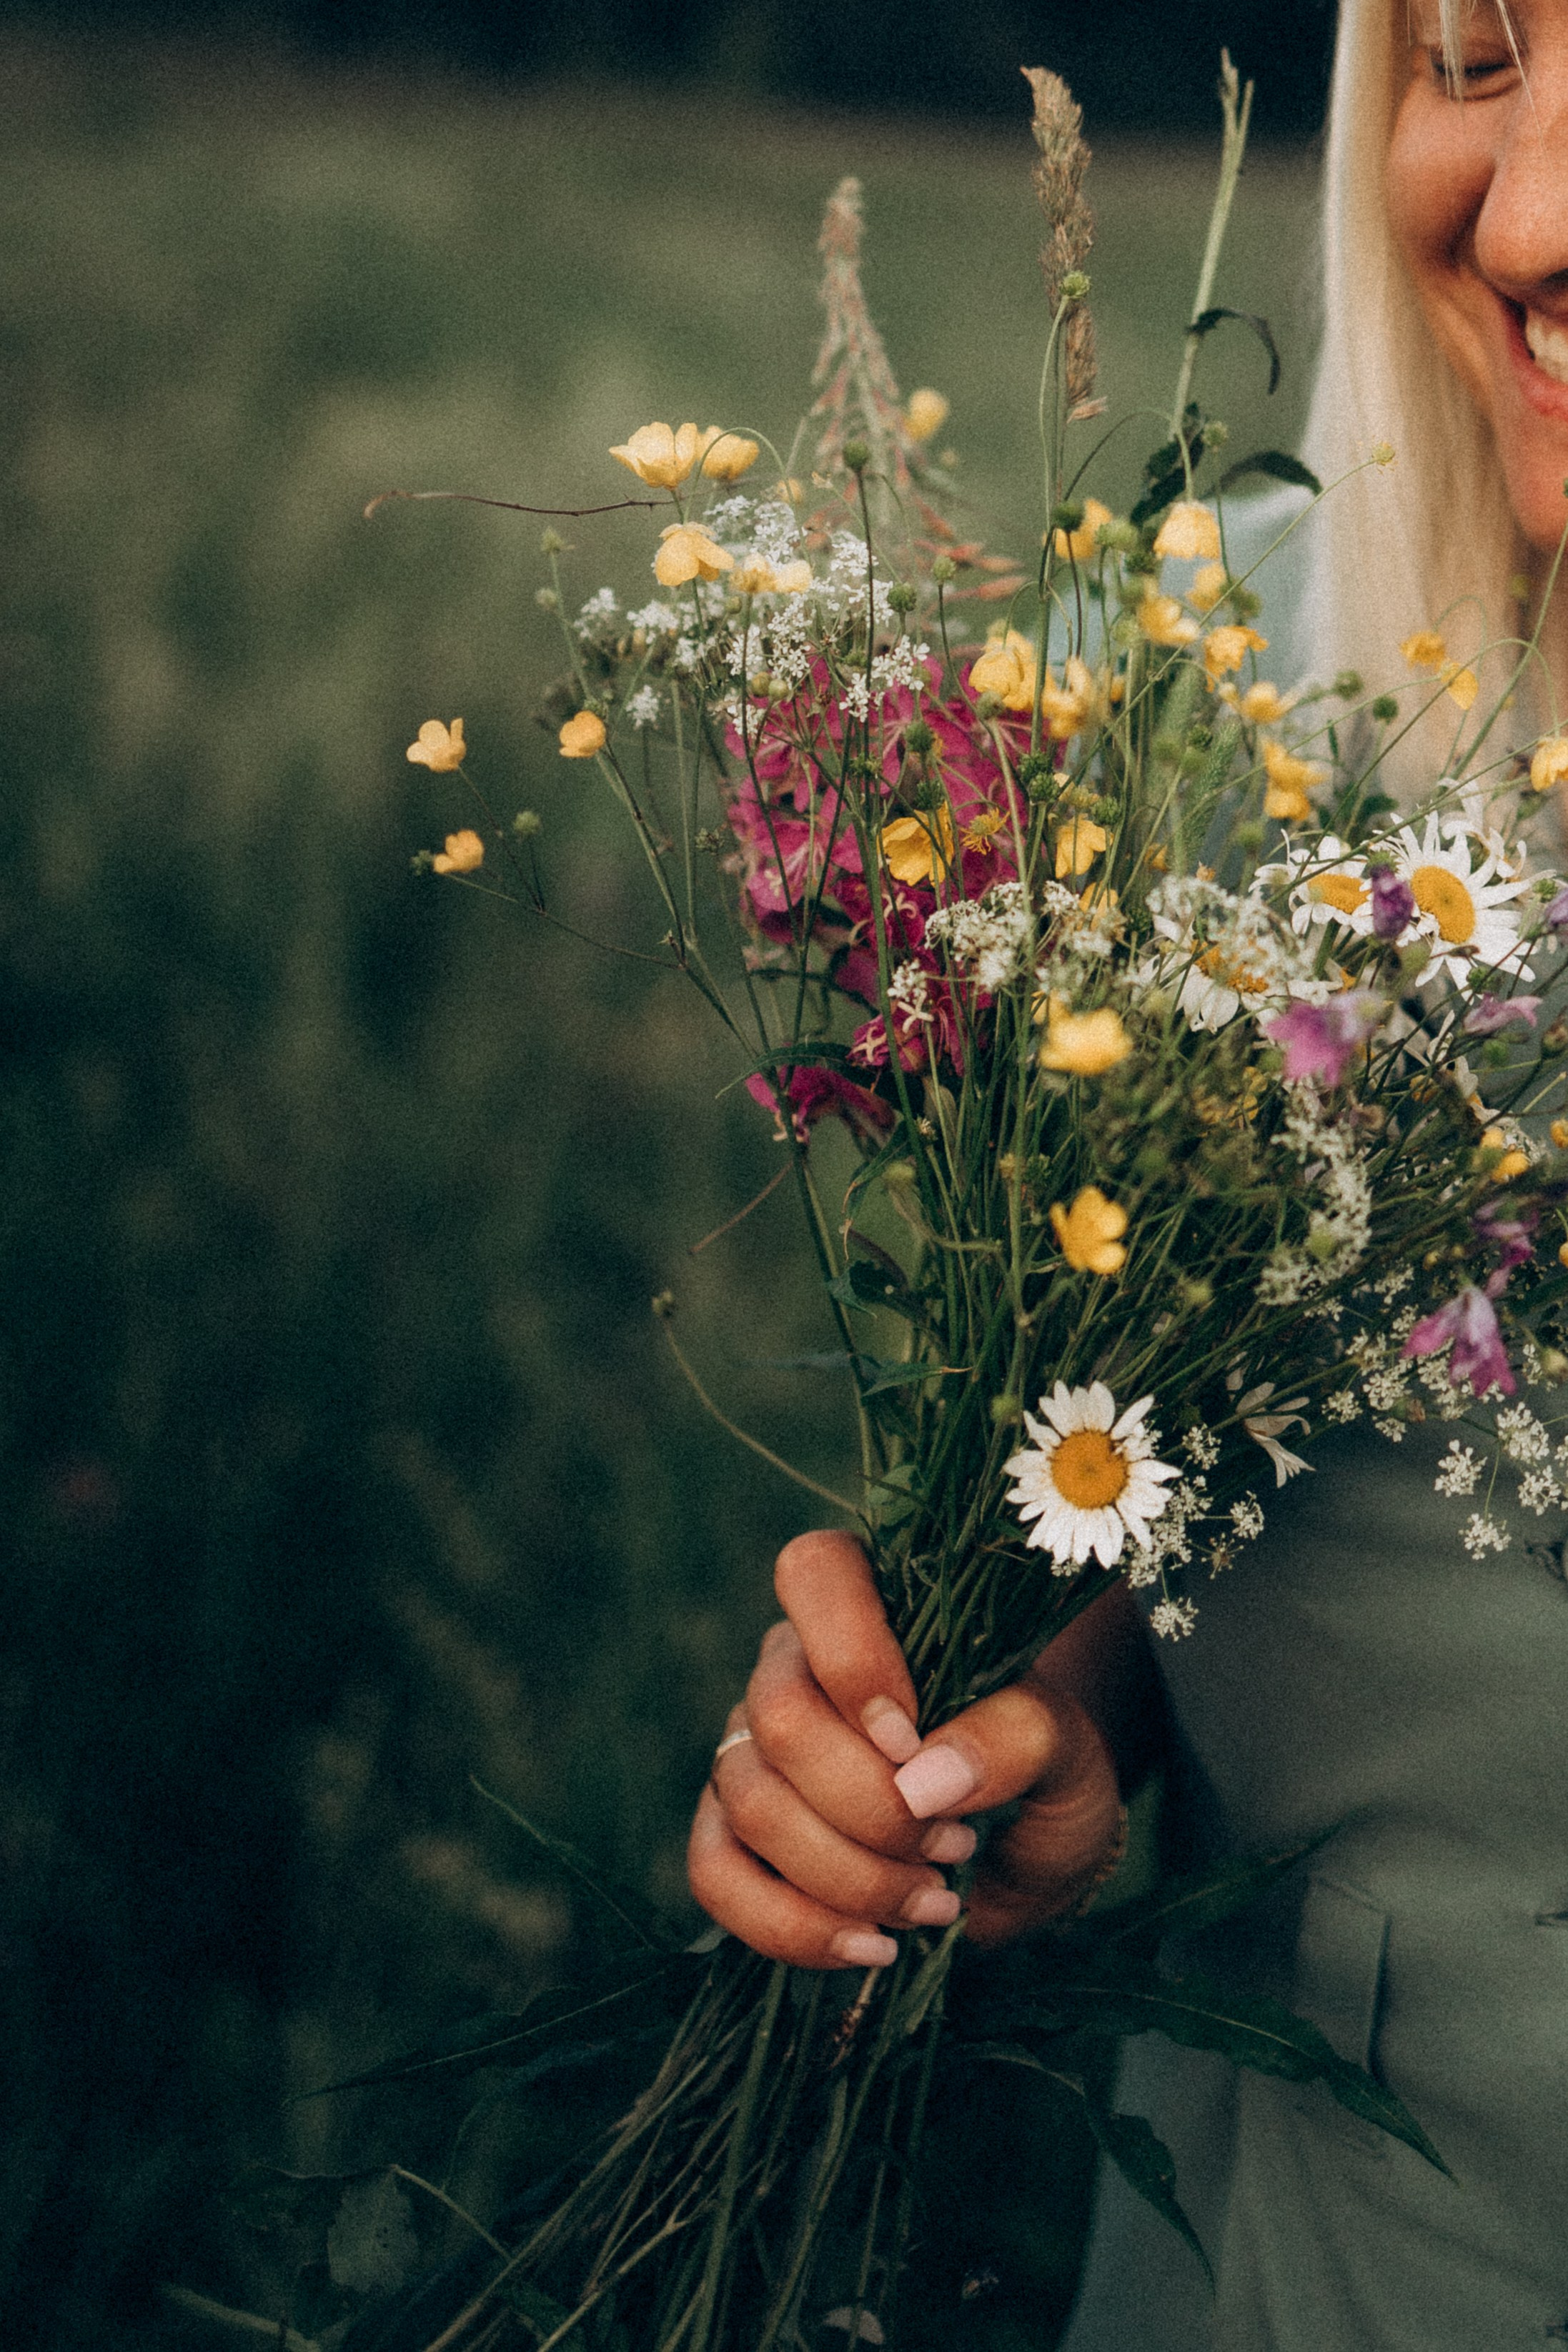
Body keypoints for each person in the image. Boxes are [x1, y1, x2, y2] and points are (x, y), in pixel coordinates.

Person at [688, 4, 1568, 2345]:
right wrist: (1047, 1731)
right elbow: (1232, 1467)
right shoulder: (1261, 674)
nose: (1528, 213)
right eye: (1471, 54)